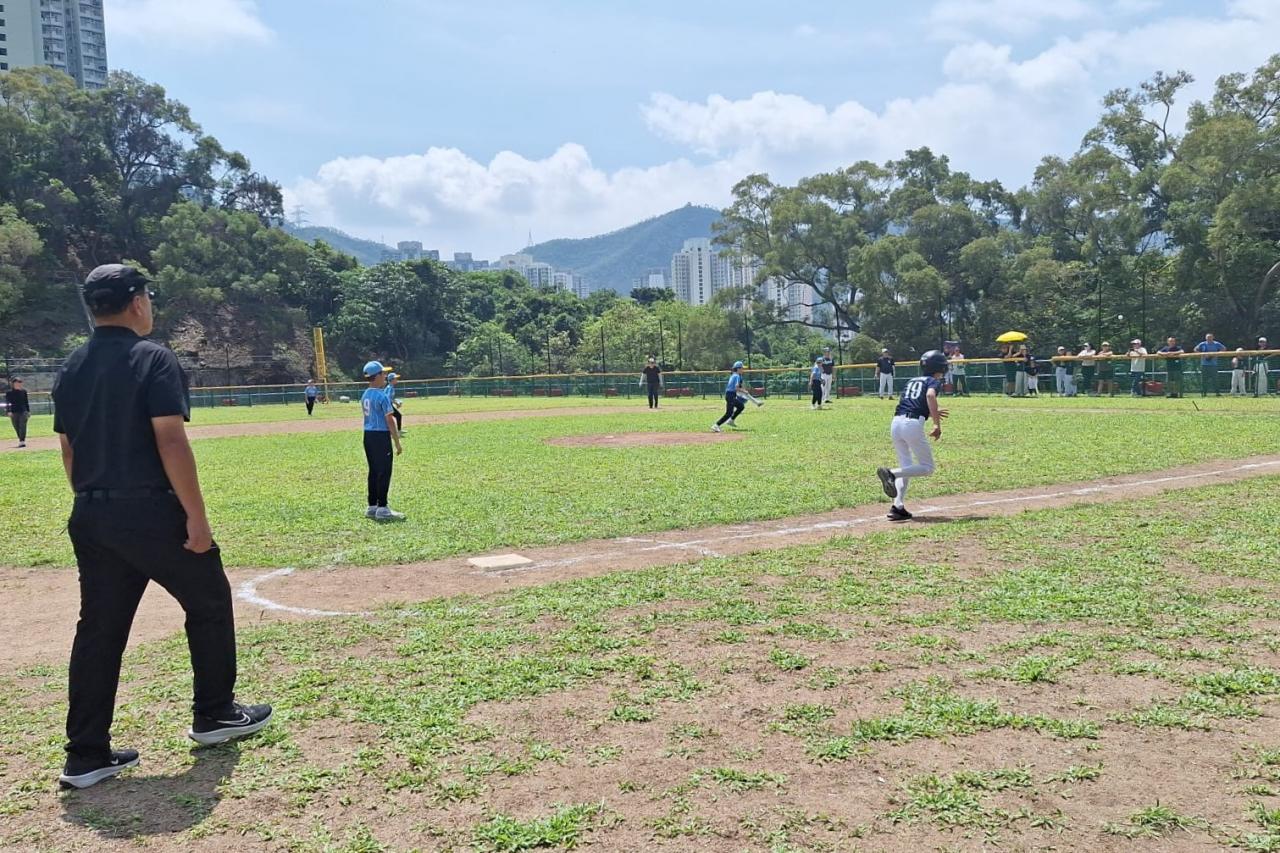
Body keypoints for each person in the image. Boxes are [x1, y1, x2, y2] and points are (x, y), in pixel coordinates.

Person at [51, 264, 272, 790]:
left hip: (92, 511)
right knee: (209, 600)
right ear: (136, 302)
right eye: (147, 296)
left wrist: (93, 503)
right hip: (149, 510)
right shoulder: (152, 357)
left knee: (99, 630)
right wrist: (196, 516)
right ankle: (215, 713)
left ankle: (85, 754)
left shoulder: (71, 366)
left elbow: (69, 448)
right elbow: (170, 439)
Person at [876, 350, 949, 523]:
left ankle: (897, 507)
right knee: (927, 468)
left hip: (896, 423)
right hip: (912, 424)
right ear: (939, 367)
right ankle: (891, 473)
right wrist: (936, 424)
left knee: (906, 467)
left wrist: (931, 412)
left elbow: (912, 402)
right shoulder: (933, 381)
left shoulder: (912, 380)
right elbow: (930, 395)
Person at [362, 361, 405, 520]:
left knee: (373, 471)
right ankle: (383, 508)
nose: (385, 376)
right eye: (383, 373)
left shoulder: (365, 394)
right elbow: (390, 420)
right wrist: (397, 441)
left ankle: (372, 506)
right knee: (384, 471)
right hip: (380, 436)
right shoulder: (382, 396)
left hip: (368, 435)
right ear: (377, 376)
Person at [712, 360, 759, 432]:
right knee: (729, 413)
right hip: (730, 395)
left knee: (741, 406)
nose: (743, 370)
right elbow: (736, 388)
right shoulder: (737, 376)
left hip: (730, 395)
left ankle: (731, 420)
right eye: (742, 368)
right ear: (738, 369)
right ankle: (716, 425)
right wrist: (744, 391)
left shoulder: (734, 375)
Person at [6, 376, 30, 448]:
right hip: (14, 411)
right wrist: (8, 411)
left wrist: (28, 411)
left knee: (22, 425)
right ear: (13, 384)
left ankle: (22, 441)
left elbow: (26, 402)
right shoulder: (9, 392)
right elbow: (7, 403)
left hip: (23, 411)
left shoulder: (23, 391)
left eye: (20, 382)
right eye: (16, 382)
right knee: (16, 426)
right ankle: (21, 439)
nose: (18, 384)